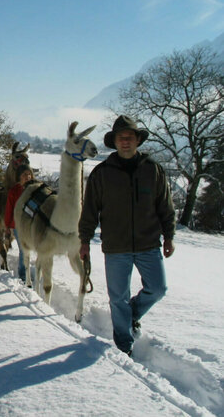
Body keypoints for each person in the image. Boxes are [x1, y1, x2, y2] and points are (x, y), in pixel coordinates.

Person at [79, 115, 176, 356]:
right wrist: (84, 241)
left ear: (137, 140)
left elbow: (165, 206)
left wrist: (170, 236)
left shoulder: (153, 170)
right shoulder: (101, 174)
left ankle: (131, 314)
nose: (125, 141)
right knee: (117, 298)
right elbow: (90, 210)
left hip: (149, 244)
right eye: (121, 138)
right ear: (115, 142)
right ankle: (124, 344)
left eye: (129, 137)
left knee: (158, 288)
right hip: (116, 246)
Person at [4, 164, 34, 283]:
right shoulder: (14, 191)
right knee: (23, 249)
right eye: (24, 175)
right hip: (18, 225)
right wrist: (7, 226)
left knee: (29, 249)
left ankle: (29, 271)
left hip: (33, 224)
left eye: (29, 174)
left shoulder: (35, 188)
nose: (27, 177)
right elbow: (9, 209)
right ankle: (23, 274)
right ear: (19, 177)